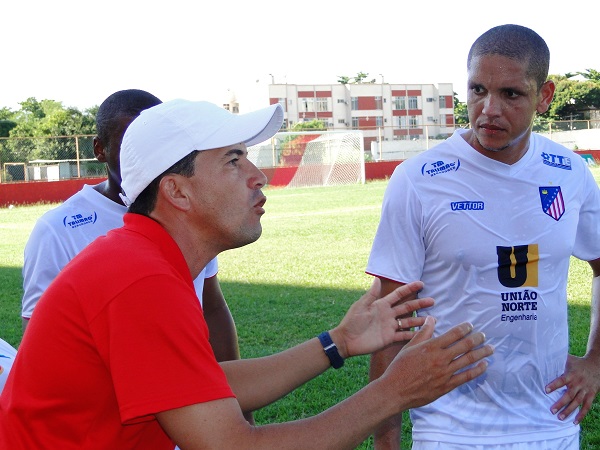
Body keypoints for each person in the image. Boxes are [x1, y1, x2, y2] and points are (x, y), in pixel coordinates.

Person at [0, 99, 493, 448]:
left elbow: (206, 384)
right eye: (234, 160)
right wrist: (393, 391)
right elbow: (231, 444)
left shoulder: (144, 261)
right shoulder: (139, 278)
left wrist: (338, 342)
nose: (258, 175)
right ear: (177, 192)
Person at [366, 24, 600, 450]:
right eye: (477, 90)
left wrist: (596, 362)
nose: (489, 109)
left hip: (550, 424)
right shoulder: (418, 179)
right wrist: (387, 442)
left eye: (511, 94)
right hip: (448, 428)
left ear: (544, 97)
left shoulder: (570, 173)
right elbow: (390, 312)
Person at [21, 89, 242, 368]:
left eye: (158, 143)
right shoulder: (57, 230)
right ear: (100, 149)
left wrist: (238, 402)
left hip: (188, 384)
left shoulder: (186, 209)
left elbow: (211, 307)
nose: (147, 155)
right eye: (129, 144)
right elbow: (40, 343)